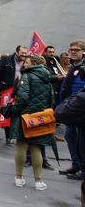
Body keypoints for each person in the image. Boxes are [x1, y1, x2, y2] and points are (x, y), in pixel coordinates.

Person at [7, 54, 55, 191]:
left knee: (21, 146)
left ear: (33, 64)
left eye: (27, 62)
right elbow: (51, 100)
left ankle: (19, 177)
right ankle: (38, 181)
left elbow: (22, 97)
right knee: (36, 148)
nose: (25, 64)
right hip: (40, 118)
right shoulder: (47, 79)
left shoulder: (27, 76)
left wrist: (13, 110)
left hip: (24, 117)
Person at [0, 45, 30, 143]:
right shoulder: (6, 60)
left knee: (16, 113)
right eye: (22, 53)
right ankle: (8, 135)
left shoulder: (27, 62)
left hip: (20, 91)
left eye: (26, 53)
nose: (24, 55)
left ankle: (14, 134)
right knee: (7, 112)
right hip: (6, 91)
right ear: (17, 52)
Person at [60, 40, 85, 180]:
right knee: (70, 137)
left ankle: (82, 168)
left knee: (81, 140)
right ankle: (76, 164)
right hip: (70, 107)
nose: (73, 52)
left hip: (79, 109)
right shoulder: (74, 66)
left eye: (76, 49)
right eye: (71, 49)